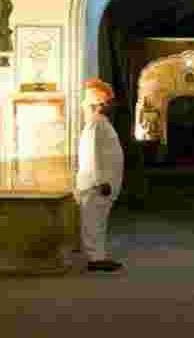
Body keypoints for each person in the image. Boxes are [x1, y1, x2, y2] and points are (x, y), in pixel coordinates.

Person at [75, 78, 125, 272]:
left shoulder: (101, 123)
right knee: (93, 221)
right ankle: (95, 259)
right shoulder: (96, 124)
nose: (111, 106)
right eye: (107, 103)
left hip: (103, 183)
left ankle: (98, 256)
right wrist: (99, 182)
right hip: (97, 185)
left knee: (98, 221)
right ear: (99, 105)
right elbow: (90, 154)